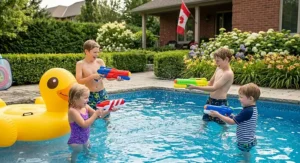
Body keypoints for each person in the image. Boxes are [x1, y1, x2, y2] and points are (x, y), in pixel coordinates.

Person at [209, 83, 260, 162]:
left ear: (250, 98)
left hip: (244, 141)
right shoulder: (252, 109)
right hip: (250, 139)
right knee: (245, 152)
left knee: (245, 156)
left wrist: (218, 115)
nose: (239, 99)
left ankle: (246, 161)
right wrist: (231, 115)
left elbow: (232, 122)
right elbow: (241, 119)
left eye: (241, 97)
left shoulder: (247, 111)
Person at [67, 83, 116, 163]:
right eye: (85, 98)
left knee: (87, 148)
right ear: (75, 98)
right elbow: (84, 124)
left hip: (85, 138)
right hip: (75, 142)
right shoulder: (73, 111)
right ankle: (71, 160)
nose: (88, 100)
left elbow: (99, 116)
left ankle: (87, 155)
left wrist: (110, 110)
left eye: (88, 97)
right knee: (77, 152)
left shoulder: (85, 107)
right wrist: (95, 114)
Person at [187, 48, 234, 124]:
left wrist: (195, 87)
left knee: (221, 124)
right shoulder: (218, 68)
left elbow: (213, 88)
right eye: (215, 60)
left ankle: (224, 135)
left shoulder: (228, 74)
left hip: (220, 103)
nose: (216, 63)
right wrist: (194, 82)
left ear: (226, 59)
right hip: (210, 100)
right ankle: (201, 134)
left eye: (218, 61)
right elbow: (210, 83)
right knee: (205, 120)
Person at [75, 40, 122, 115]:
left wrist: (116, 78)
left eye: (98, 52)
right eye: (94, 52)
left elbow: (108, 77)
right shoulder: (80, 64)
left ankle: (107, 127)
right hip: (89, 95)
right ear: (86, 51)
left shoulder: (100, 62)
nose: (97, 54)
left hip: (102, 93)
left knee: (107, 115)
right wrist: (92, 76)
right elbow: (79, 81)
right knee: (92, 116)